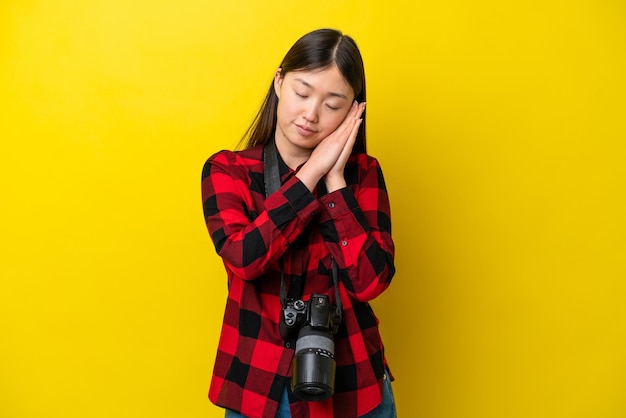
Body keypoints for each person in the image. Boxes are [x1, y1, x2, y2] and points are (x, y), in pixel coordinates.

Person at [201, 28, 396, 418]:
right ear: (278, 83)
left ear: (354, 111)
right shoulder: (229, 170)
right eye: (302, 93)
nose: (310, 115)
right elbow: (244, 259)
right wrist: (312, 174)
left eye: (332, 104)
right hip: (258, 384)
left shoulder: (362, 175)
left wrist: (335, 182)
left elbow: (372, 281)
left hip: (353, 387)